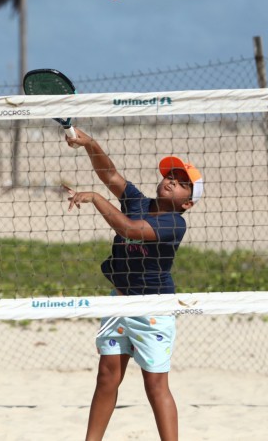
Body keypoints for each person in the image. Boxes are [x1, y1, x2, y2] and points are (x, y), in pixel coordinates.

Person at [64, 127, 203, 441]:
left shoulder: (174, 223)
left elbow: (129, 229)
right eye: (171, 176)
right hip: (119, 301)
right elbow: (109, 174)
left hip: (153, 309)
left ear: (188, 203)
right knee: (106, 377)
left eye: (182, 184)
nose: (171, 182)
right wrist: (91, 144)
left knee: (155, 386)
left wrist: (96, 199)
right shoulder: (139, 201)